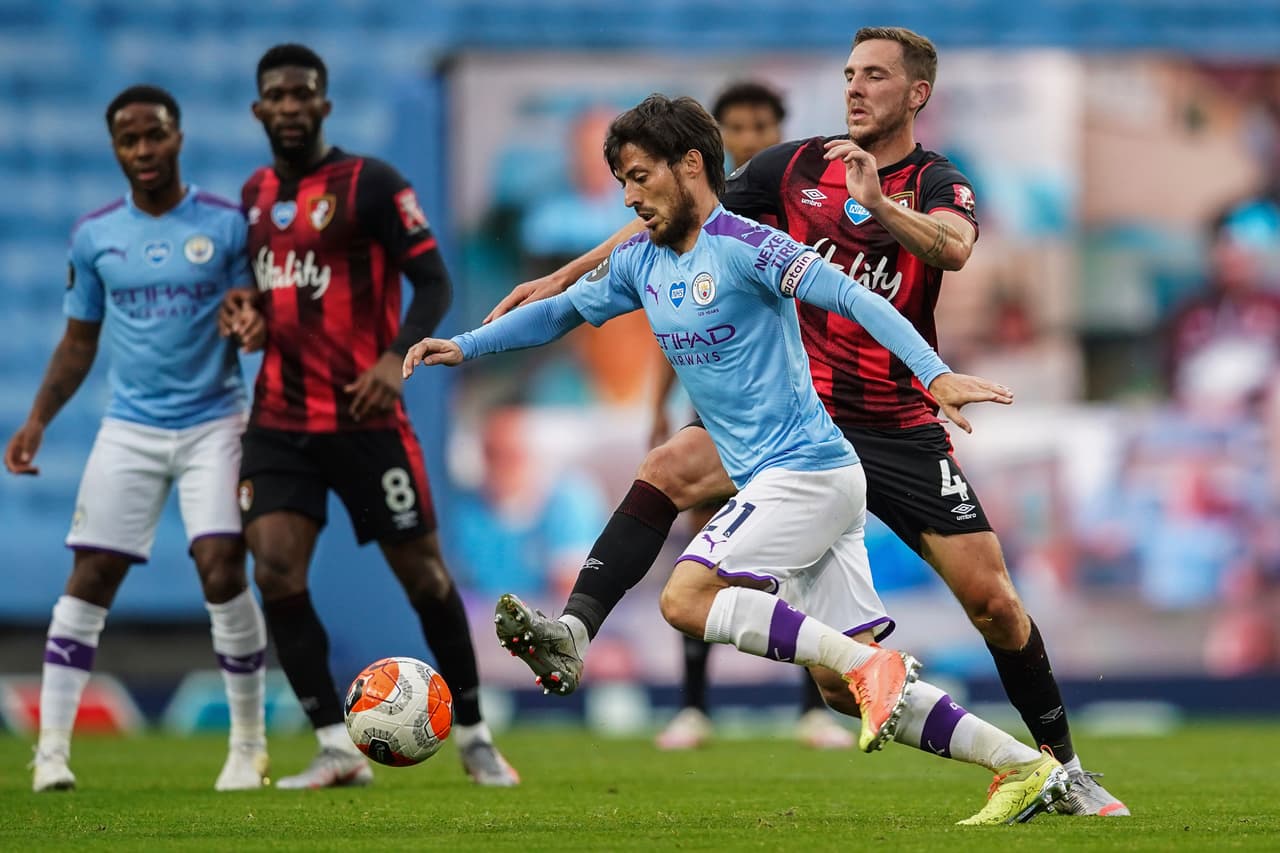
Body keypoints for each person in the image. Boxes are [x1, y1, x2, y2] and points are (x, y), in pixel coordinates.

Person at [484, 27, 1127, 816]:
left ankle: (1062, 765)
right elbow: (670, 210)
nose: (856, 88)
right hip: (802, 418)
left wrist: (881, 206)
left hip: (896, 422)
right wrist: (567, 274)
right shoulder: (794, 166)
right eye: (850, 74)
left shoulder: (940, 179)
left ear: (916, 94)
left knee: (993, 600)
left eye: (876, 77)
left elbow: (954, 249)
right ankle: (582, 633)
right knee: (666, 470)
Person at [228, 44, 517, 788]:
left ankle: (477, 732)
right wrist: (249, 321)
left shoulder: (372, 184)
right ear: (260, 109)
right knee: (276, 569)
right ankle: (332, 743)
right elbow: (266, 295)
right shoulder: (256, 193)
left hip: (364, 417)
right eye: (277, 97)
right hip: (281, 419)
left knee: (423, 575)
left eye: (303, 95)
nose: (290, 107)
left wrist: (394, 358)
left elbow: (433, 281)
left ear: (323, 105)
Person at [4, 86, 269, 793]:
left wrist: (251, 325)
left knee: (219, 564)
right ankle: (52, 751)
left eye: (155, 135)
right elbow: (78, 341)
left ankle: (248, 745)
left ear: (178, 137)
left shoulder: (225, 224)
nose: (144, 150)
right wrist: (36, 420)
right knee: (91, 574)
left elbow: (257, 313)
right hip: (131, 425)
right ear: (116, 149)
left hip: (215, 417)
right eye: (129, 140)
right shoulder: (95, 236)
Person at [649, 80, 850, 751]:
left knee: (795, 557)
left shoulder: (798, 215)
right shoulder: (693, 220)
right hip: (721, 415)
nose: (748, 138)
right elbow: (670, 315)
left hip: (796, 411)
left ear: (779, 130)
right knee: (705, 546)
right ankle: (694, 705)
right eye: (735, 126)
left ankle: (811, 707)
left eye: (761, 125)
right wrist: (658, 407)